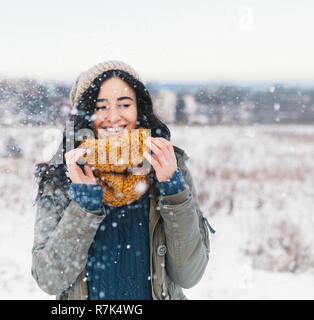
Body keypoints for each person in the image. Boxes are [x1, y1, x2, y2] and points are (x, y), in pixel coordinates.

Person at [31, 60, 213, 300]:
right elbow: (50, 279)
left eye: (124, 104)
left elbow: (189, 275)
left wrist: (173, 190)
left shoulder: (168, 166)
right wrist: (84, 204)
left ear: (140, 109)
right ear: (84, 114)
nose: (113, 117)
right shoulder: (62, 177)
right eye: (100, 106)